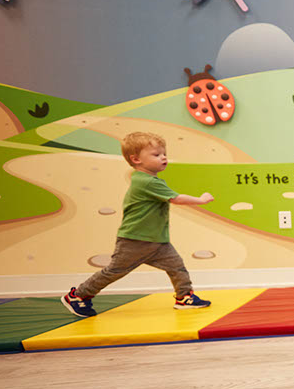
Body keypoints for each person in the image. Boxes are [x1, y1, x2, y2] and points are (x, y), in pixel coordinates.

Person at [61, 131, 215, 318]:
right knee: (114, 271)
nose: (164, 157)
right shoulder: (147, 182)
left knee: (176, 266)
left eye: (164, 153)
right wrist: (201, 199)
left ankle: (184, 297)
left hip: (155, 240)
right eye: (156, 155)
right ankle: (77, 295)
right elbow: (176, 198)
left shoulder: (146, 179)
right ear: (136, 159)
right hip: (135, 240)